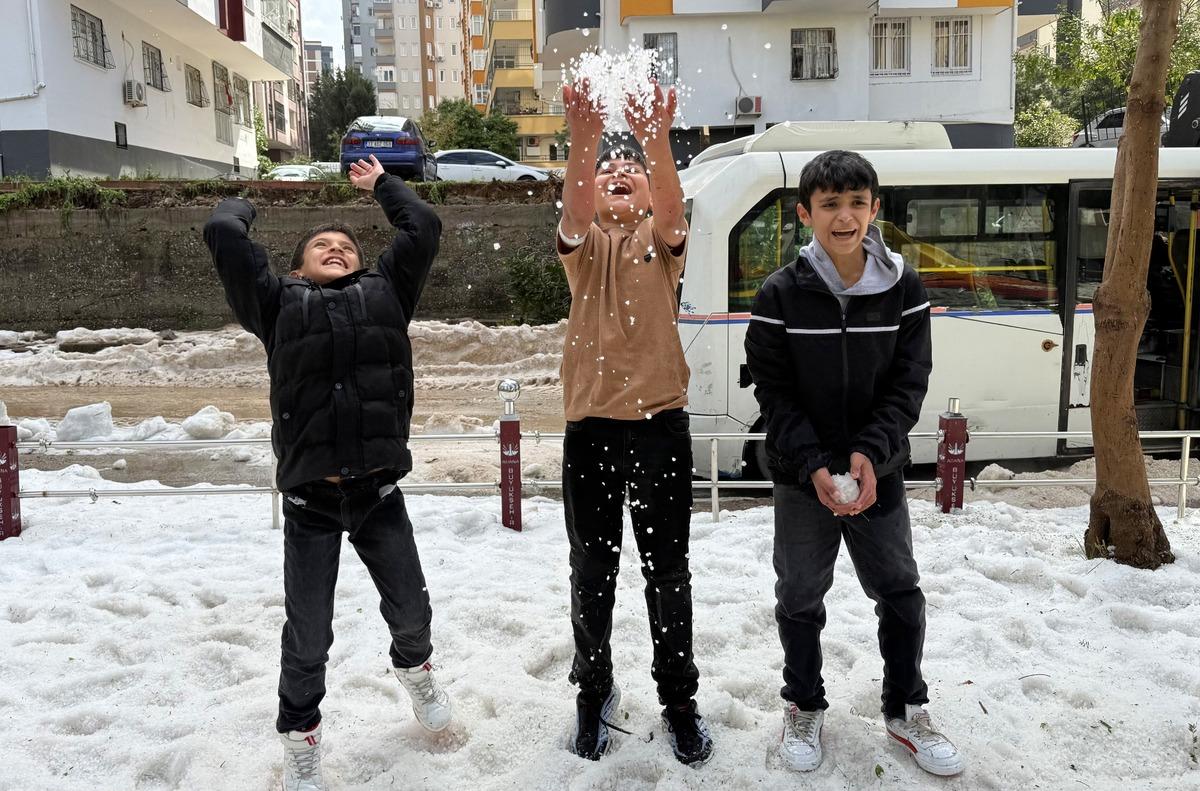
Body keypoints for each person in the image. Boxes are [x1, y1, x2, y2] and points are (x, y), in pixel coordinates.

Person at [204, 155, 451, 791]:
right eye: (322, 244)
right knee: (309, 633)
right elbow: (226, 236)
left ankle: (415, 670)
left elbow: (420, 225)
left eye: (346, 244)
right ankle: (301, 735)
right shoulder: (276, 303)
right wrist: (251, 197)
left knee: (412, 612)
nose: (336, 248)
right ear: (297, 265)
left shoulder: (386, 290)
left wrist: (380, 187)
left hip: (379, 493)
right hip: (311, 503)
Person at [744, 149, 964, 777]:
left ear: (874, 209)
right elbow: (774, 395)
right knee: (800, 594)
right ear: (805, 212)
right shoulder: (779, 295)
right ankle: (804, 704)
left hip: (881, 473)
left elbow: (908, 383)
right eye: (831, 204)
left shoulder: (905, 288)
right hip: (800, 477)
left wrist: (870, 455)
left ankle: (906, 708)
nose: (845, 217)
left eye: (857, 203)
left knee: (899, 589)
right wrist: (814, 464)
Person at [554, 78, 713, 766]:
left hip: (659, 428)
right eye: (608, 172)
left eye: (633, 173)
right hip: (588, 425)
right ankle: (594, 692)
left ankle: (679, 700)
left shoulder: (662, 239)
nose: (620, 175)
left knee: (666, 571)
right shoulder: (584, 246)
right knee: (592, 571)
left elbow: (677, 210)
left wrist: (655, 136)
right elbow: (569, 210)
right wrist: (585, 137)